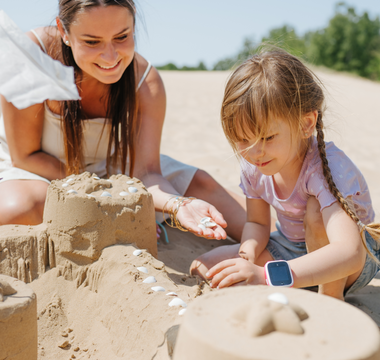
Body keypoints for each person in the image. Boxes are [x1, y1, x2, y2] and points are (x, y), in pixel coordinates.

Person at [0, 0, 246, 241]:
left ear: (134, 21)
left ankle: (277, 243)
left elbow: (148, 172)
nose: (110, 57)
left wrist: (177, 203)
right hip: (37, 169)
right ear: (64, 31)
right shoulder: (30, 55)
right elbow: (26, 156)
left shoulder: (145, 80)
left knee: (201, 184)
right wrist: (104, 193)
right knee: (23, 205)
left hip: (112, 168)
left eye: (121, 37)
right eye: (91, 41)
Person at [190, 49, 380, 300]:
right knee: (204, 267)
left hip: (350, 264)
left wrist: (266, 276)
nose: (255, 152)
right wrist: (247, 252)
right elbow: (258, 223)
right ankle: (302, 283)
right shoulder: (254, 165)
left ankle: (330, 300)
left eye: (267, 138)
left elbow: (349, 251)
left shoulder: (326, 169)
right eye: (243, 139)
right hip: (290, 248)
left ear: (305, 124)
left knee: (315, 212)